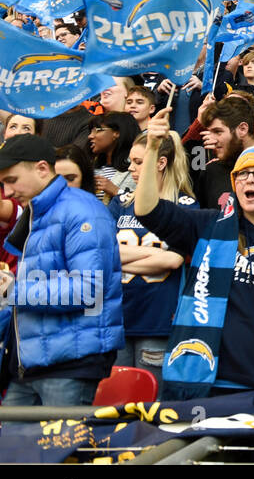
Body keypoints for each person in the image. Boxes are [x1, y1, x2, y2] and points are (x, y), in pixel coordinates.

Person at [134, 109, 254, 399]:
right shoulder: (208, 225)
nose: (249, 180)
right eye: (241, 175)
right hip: (207, 382)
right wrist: (151, 149)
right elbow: (147, 210)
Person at [0, 134, 123, 407]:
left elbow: (89, 290)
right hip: (33, 361)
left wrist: (13, 290)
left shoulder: (82, 210)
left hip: (69, 362)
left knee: (61, 449)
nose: (7, 192)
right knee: (13, 449)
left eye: (11, 180)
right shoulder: (36, 212)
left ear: (42, 168)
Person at [111, 128, 194, 380]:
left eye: (139, 162)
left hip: (158, 318)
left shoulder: (185, 206)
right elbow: (106, 253)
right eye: (130, 162)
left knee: (150, 406)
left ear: (160, 163)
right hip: (119, 316)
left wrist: (123, 259)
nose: (131, 170)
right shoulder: (120, 203)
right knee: (115, 406)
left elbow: (174, 259)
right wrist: (151, 256)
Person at [87, 112, 138, 204]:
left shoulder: (136, 168)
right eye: (91, 131)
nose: (90, 136)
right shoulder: (91, 167)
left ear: (116, 133)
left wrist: (117, 192)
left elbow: (144, 204)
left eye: (97, 130)